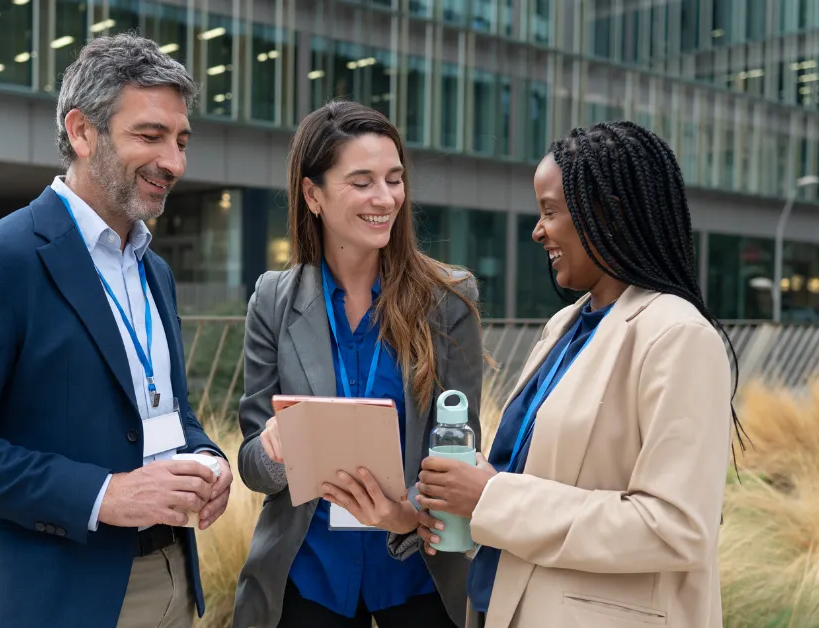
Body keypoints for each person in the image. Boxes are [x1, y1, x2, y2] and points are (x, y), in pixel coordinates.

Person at [0, 33, 234, 628]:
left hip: (173, 580)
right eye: (150, 136)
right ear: (81, 132)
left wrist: (206, 456)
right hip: (53, 596)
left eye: (181, 141)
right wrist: (105, 494)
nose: (174, 163)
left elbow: (163, 407)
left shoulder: (155, 270)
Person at [413, 121, 747, 628]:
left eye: (550, 212)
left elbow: (675, 527)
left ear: (606, 214)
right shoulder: (564, 326)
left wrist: (491, 496)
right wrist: (469, 489)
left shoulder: (677, 336)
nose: (537, 230)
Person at [232, 99, 485, 628]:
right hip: (308, 579)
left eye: (394, 180)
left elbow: (459, 447)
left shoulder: (449, 300)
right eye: (363, 181)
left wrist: (407, 515)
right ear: (313, 194)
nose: (385, 198)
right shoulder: (273, 300)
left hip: (418, 574)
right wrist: (278, 449)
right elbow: (253, 465)